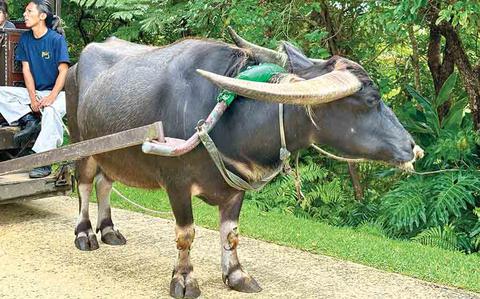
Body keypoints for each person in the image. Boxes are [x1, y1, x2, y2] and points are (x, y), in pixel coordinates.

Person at [0, 0, 69, 178]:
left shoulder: (57, 40)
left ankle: (43, 161)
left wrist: (51, 97)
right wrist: (32, 99)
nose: (25, 15)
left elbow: (63, 72)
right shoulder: (25, 39)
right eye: (25, 12)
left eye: (29, 11)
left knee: (52, 111)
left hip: (58, 94)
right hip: (35, 93)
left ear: (42, 16)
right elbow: (26, 71)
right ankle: (28, 119)